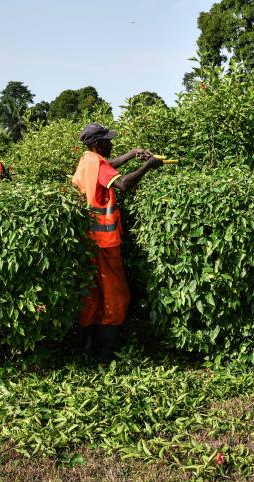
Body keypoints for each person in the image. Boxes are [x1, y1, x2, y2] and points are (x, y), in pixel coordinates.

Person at [72, 122, 162, 363]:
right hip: (105, 242)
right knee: (116, 295)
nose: (112, 144)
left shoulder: (87, 160)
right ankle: (104, 353)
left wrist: (132, 154)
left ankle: (86, 350)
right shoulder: (98, 164)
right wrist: (147, 166)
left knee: (92, 296)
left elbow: (107, 166)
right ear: (98, 144)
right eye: (108, 141)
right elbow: (122, 184)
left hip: (89, 240)